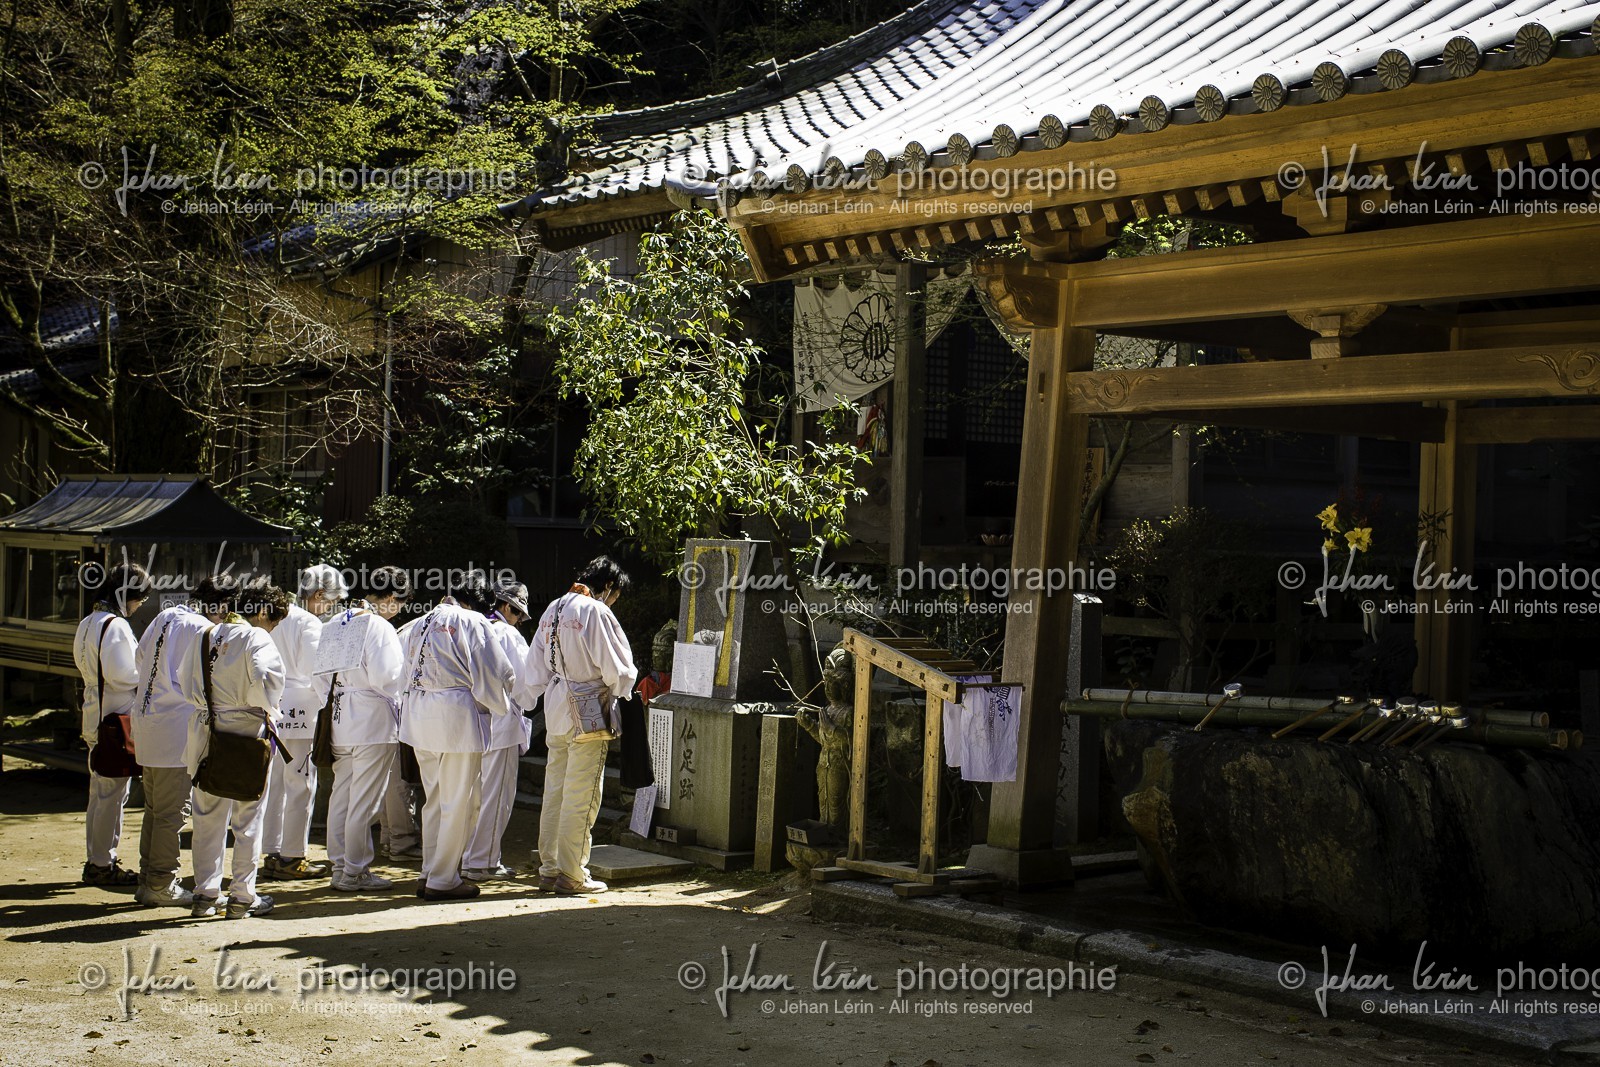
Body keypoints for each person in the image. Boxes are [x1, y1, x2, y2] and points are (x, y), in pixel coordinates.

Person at [526, 556, 637, 896]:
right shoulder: (595, 610)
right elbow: (618, 669)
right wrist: (624, 691)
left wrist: (528, 698)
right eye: (615, 595)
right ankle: (573, 872)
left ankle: (550, 868)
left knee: (556, 790)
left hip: (557, 702)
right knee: (582, 792)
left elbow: (534, 665)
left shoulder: (555, 607)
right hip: (588, 703)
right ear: (608, 587)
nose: (613, 600)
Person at [399, 574, 514, 901]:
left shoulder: (419, 622)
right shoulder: (472, 621)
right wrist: (498, 700)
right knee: (459, 800)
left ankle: (429, 870)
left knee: (434, 797)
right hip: (455, 717)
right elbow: (499, 672)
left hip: (419, 715)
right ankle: (444, 878)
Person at [178, 581, 288, 919]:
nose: (272, 629)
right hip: (245, 731)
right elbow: (266, 677)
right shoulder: (256, 637)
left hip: (206, 729)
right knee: (248, 818)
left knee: (207, 817)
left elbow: (184, 680)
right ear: (261, 613)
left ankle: (205, 894)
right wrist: (266, 707)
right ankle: (242, 895)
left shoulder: (206, 634)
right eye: (273, 622)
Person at [130, 573, 235, 908]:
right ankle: (161, 882)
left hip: (147, 719)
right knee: (172, 811)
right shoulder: (203, 630)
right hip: (173, 727)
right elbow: (205, 682)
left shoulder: (167, 614)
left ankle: (149, 879)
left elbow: (139, 657)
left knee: (155, 808)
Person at [320, 568, 406, 892]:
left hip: (340, 717)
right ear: (390, 597)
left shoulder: (335, 622)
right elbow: (389, 678)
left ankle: (340, 864)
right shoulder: (378, 626)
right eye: (398, 603)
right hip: (372, 719)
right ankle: (355, 869)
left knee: (342, 793)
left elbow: (319, 678)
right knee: (364, 800)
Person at [260, 565, 344, 881]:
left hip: (273, 702)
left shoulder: (276, 616)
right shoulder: (308, 622)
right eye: (331, 602)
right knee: (301, 783)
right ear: (319, 595)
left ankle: (273, 850)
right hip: (301, 707)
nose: (330, 609)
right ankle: (293, 854)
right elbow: (317, 670)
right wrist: (327, 705)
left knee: (277, 781)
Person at [73, 562, 151, 887]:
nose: (138, 605)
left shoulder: (89, 621)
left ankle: (98, 858)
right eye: (139, 599)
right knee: (111, 795)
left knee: (100, 793)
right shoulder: (115, 626)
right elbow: (123, 674)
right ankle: (102, 863)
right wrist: (147, 673)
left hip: (96, 714)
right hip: (114, 722)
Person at [461, 580, 535, 882]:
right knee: (496, 794)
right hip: (501, 720)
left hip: (468, 718)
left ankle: (466, 856)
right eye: (517, 612)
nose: (518, 619)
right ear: (506, 606)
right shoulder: (506, 633)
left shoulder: (470, 626)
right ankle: (484, 861)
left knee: (469, 793)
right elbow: (524, 682)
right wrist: (527, 703)